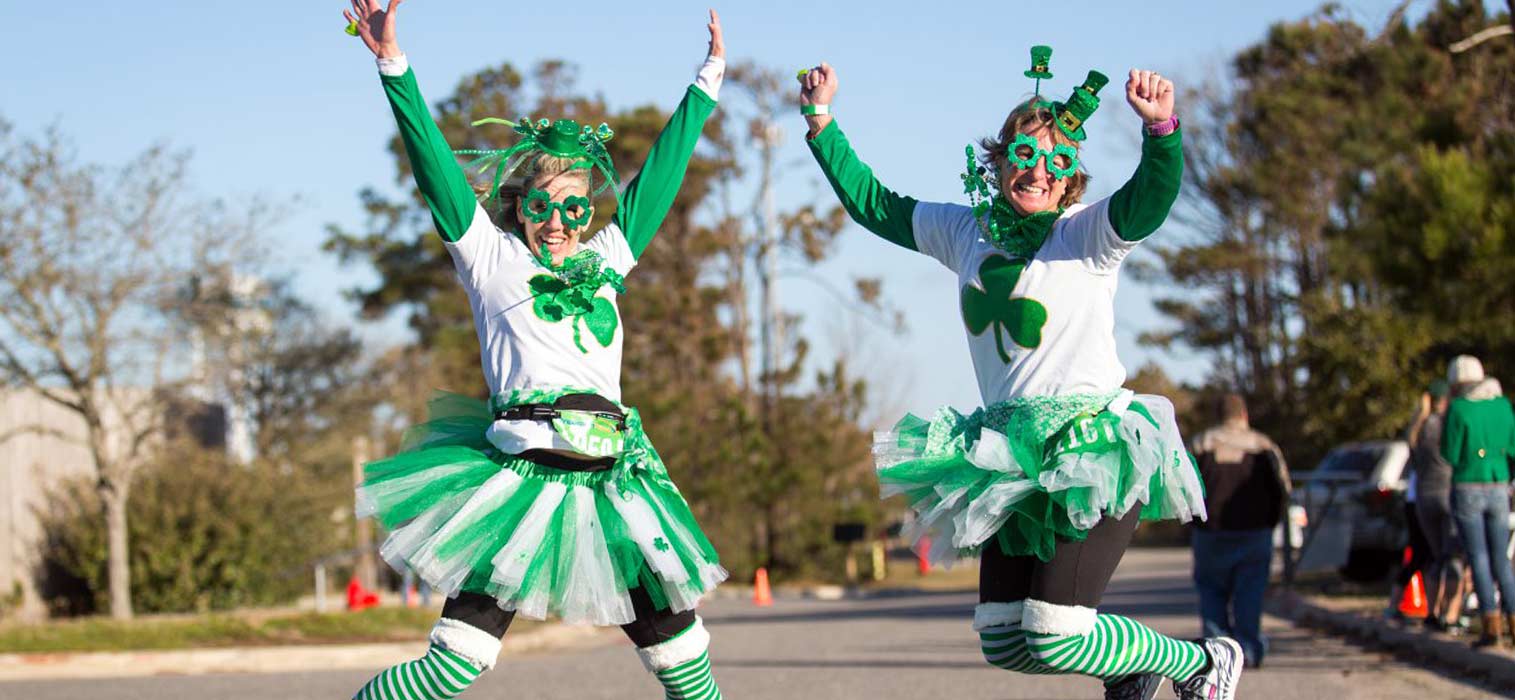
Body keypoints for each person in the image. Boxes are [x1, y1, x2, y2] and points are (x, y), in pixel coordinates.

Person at [798, 45, 1236, 700]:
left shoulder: (1085, 235)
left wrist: (1159, 131)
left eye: (1056, 161)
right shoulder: (963, 231)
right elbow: (875, 205)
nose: (1036, 172)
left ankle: (1198, 661)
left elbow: (1148, 201)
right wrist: (822, 123)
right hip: (1008, 456)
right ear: (997, 161)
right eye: (1022, 155)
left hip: (1091, 449)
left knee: (1057, 631)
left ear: (1069, 179)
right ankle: (1131, 665)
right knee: (1005, 640)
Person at [342, 2, 729, 698]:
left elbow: (657, 183)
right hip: (519, 490)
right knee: (452, 666)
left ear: (589, 211)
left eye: (573, 207)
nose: (557, 223)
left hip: (615, 486)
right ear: (519, 208)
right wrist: (393, 67)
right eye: (541, 207)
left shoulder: (607, 259)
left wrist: (705, 82)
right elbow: (434, 167)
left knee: (685, 664)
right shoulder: (489, 259)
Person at [1188, 394, 1289, 669]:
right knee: (1250, 594)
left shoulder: (1200, 444)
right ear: (1244, 415)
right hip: (1255, 533)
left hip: (1210, 534)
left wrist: (1192, 522)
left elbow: (1181, 487)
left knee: (1211, 593)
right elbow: (1283, 488)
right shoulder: (1263, 445)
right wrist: (1272, 521)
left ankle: (1217, 657)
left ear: (1218, 415)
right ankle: (1248, 651)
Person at [1442, 355, 1515, 648]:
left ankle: (1491, 626)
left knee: (1479, 558)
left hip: (1467, 483)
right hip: (1498, 483)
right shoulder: (1503, 405)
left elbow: (1450, 452)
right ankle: (1513, 619)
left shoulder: (1458, 408)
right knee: (1501, 558)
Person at [1406, 380, 1461, 632]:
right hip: (1449, 494)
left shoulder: (1417, 428)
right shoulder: (1447, 424)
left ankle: (1431, 611)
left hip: (1423, 498)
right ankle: (1450, 615)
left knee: (1435, 557)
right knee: (1454, 558)